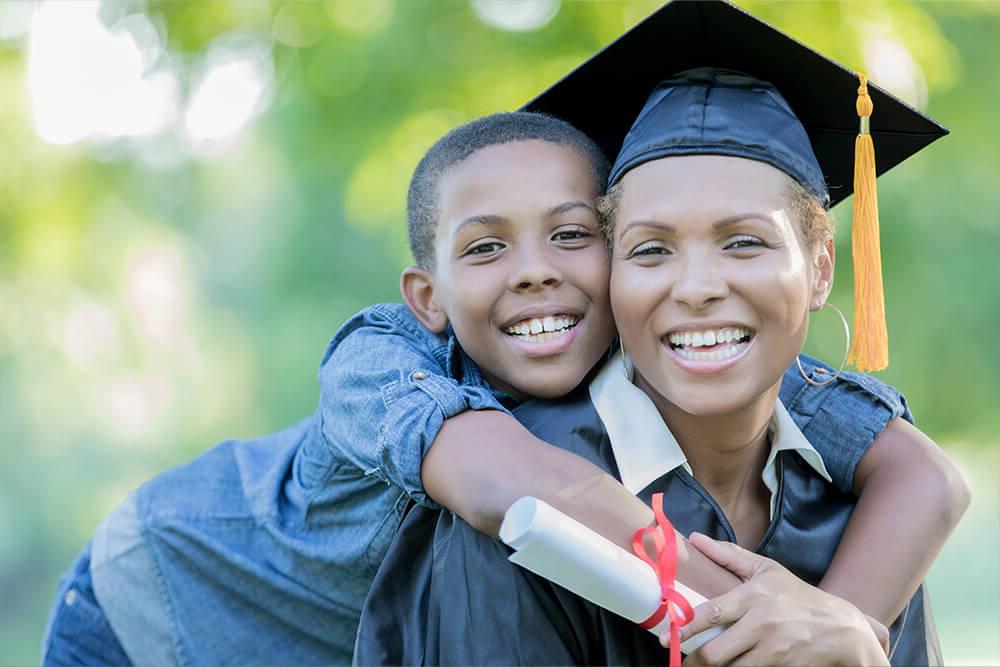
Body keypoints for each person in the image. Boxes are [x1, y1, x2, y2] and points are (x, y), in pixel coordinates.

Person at [42, 7, 967, 666]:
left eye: (573, 236)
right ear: (426, 293)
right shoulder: (384, 359)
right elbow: (519, 489)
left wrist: (841, 621)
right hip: (157, 608)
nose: (536, 271)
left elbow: (925, 474)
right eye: (487, 248)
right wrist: (768, 623)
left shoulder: (681, 343)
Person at [352, 2, 958, 666]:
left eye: (745, 241)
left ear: (820, 268)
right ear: (611, 273)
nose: (695, 286)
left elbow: (927, 477)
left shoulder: (868, 513)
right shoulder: (521, 520)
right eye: (651, 250)